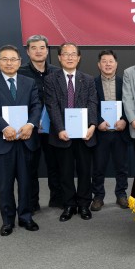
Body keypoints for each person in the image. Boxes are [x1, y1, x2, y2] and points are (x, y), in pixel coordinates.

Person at [0, 45, 41, 236]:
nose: (9, 63)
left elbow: (36, 106)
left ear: (19, 62)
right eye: (5, 59)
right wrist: (4, 127)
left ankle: (25, 217)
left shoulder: (29, 82)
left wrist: (30, 124)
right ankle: (7, 220)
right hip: (2, 142)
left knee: (26, 182)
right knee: (5, 184)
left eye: (13, 59)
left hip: (25, 139)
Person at [44, 42, 98, 222]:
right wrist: (60, 129)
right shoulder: (51, 79)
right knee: (65, 172)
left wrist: (92, 125)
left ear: (79, 57)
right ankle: (69, 205)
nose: (69, 57)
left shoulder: (88, 79)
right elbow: (52, 106)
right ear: (59, 58)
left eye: (73, 54)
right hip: (62, 134)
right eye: (65, 54)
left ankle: (84, 204)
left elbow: (92, 103)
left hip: (84, 134)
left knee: (84, 171)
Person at [18, 34, 63, 210]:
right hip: (30, 127)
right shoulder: (20, 72)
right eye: (34, 48)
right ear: (28, 52)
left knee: (55, 165)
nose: (38, 51)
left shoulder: (57, 72)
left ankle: (57, 199)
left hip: (54, 127)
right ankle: (32, 203)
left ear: (47, 50)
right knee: (30, 167)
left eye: (42, 48)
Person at [91, 50, 130, 212]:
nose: (107, 64)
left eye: (111, 61)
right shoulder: (92, 83)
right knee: (98, 167)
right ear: (99, 65)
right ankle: (98, 196)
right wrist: (98, 122)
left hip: (120, 131)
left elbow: (130, 104)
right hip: (101, 132)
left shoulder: (125, 83)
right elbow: (90, 105)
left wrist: (125, 120)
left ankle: (121, 194)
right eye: (104, 61)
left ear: (116, 64)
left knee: (121, 166)